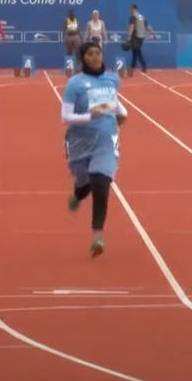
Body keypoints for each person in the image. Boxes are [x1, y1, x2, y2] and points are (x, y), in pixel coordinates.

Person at [61, 41, 128, 258]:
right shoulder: (75, 84)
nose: (95, 56)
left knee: (101, 182)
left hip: (106, 139)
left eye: (98, 53)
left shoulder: (111, 79)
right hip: (79, 141)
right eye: (90, 54)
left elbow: (114, 104)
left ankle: (97, 235)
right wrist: (90, 116)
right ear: (83, 58)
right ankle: (78, 194)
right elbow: (66, 117)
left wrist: (123, 113)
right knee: (85, 184)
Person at [127, 4, 155, 74]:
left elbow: (132, 27)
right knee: (136, 52)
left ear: (133, 9)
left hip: (135, 37)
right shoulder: (142, 17)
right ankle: (135, 67)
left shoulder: (133, 17)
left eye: (130, 9)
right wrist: (154, 34)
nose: (130, 11)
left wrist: (129, 36)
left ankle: (140, 67)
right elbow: (148, 27)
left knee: (137, 53)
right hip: (141, 38)